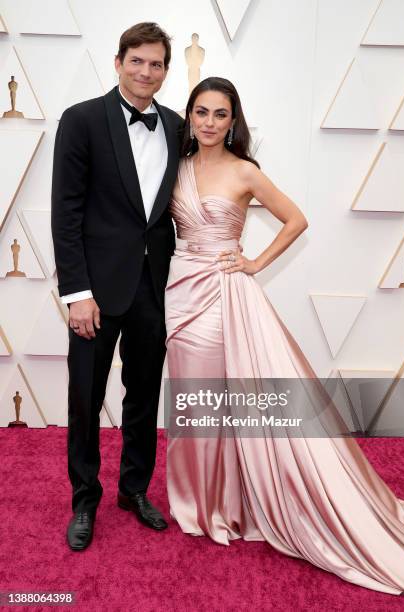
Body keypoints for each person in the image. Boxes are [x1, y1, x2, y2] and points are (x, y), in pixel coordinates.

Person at [165, 76, 404, 596]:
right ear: (189, 116)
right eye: (201, 112)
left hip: (220, 296)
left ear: (234, 122)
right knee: (192, 401)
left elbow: (296, 220)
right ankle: (199, 502)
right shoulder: (177, 168)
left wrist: (253, 262)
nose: (209, 122)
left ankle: (228, 506)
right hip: (179, 294)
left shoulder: (245, 171)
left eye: (220, 114)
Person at [51, 22, 183, 551]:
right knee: (85, 397)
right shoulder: (81, 120)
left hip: (152, 285)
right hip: (96, 292)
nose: (146, 71)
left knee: (143, 395)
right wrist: (76, 292)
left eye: (156, 64)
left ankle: (134, 490)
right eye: (137, 61)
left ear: (165, 72)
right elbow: (66, 212)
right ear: (118, 62)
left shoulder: (176, 126)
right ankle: (85, 499)